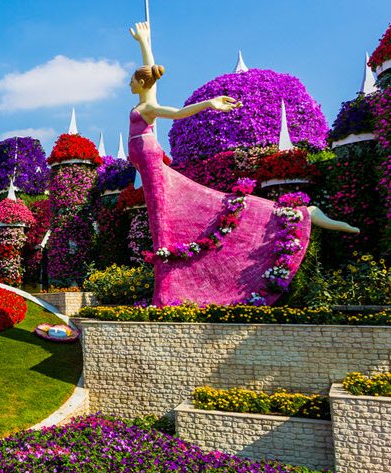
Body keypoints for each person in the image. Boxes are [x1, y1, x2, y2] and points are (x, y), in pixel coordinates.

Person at [127, 22, 357, 306]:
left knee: (165, 223)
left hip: (151, 164)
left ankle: (299, 214)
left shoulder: (148, 107)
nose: (130, 83)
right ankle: (165, 290)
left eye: (133, 80)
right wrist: (144, 42)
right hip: (148, 164)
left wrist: (209, 104)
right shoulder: (145, 98)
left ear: (140, 83)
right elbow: (152, 75)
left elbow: (176, 113)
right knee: (176, 215)